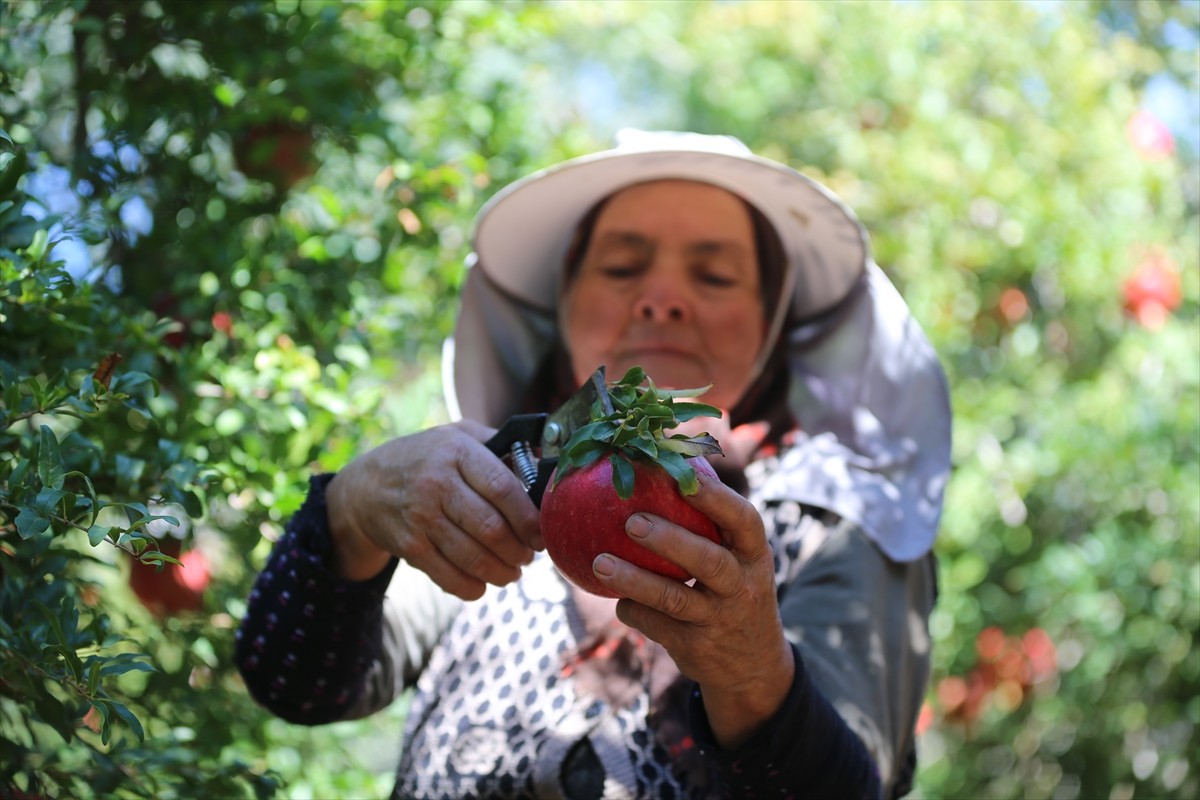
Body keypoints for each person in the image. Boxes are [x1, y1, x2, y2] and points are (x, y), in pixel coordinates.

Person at [235, 130, 951, 800]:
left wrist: (756, 677)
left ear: (773, 330)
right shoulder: (496, 486)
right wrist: (350, 512)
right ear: (561, 309)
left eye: (716, 276)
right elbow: (300, 683)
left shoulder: (836, 522)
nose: (663, 299)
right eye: (620, 267)